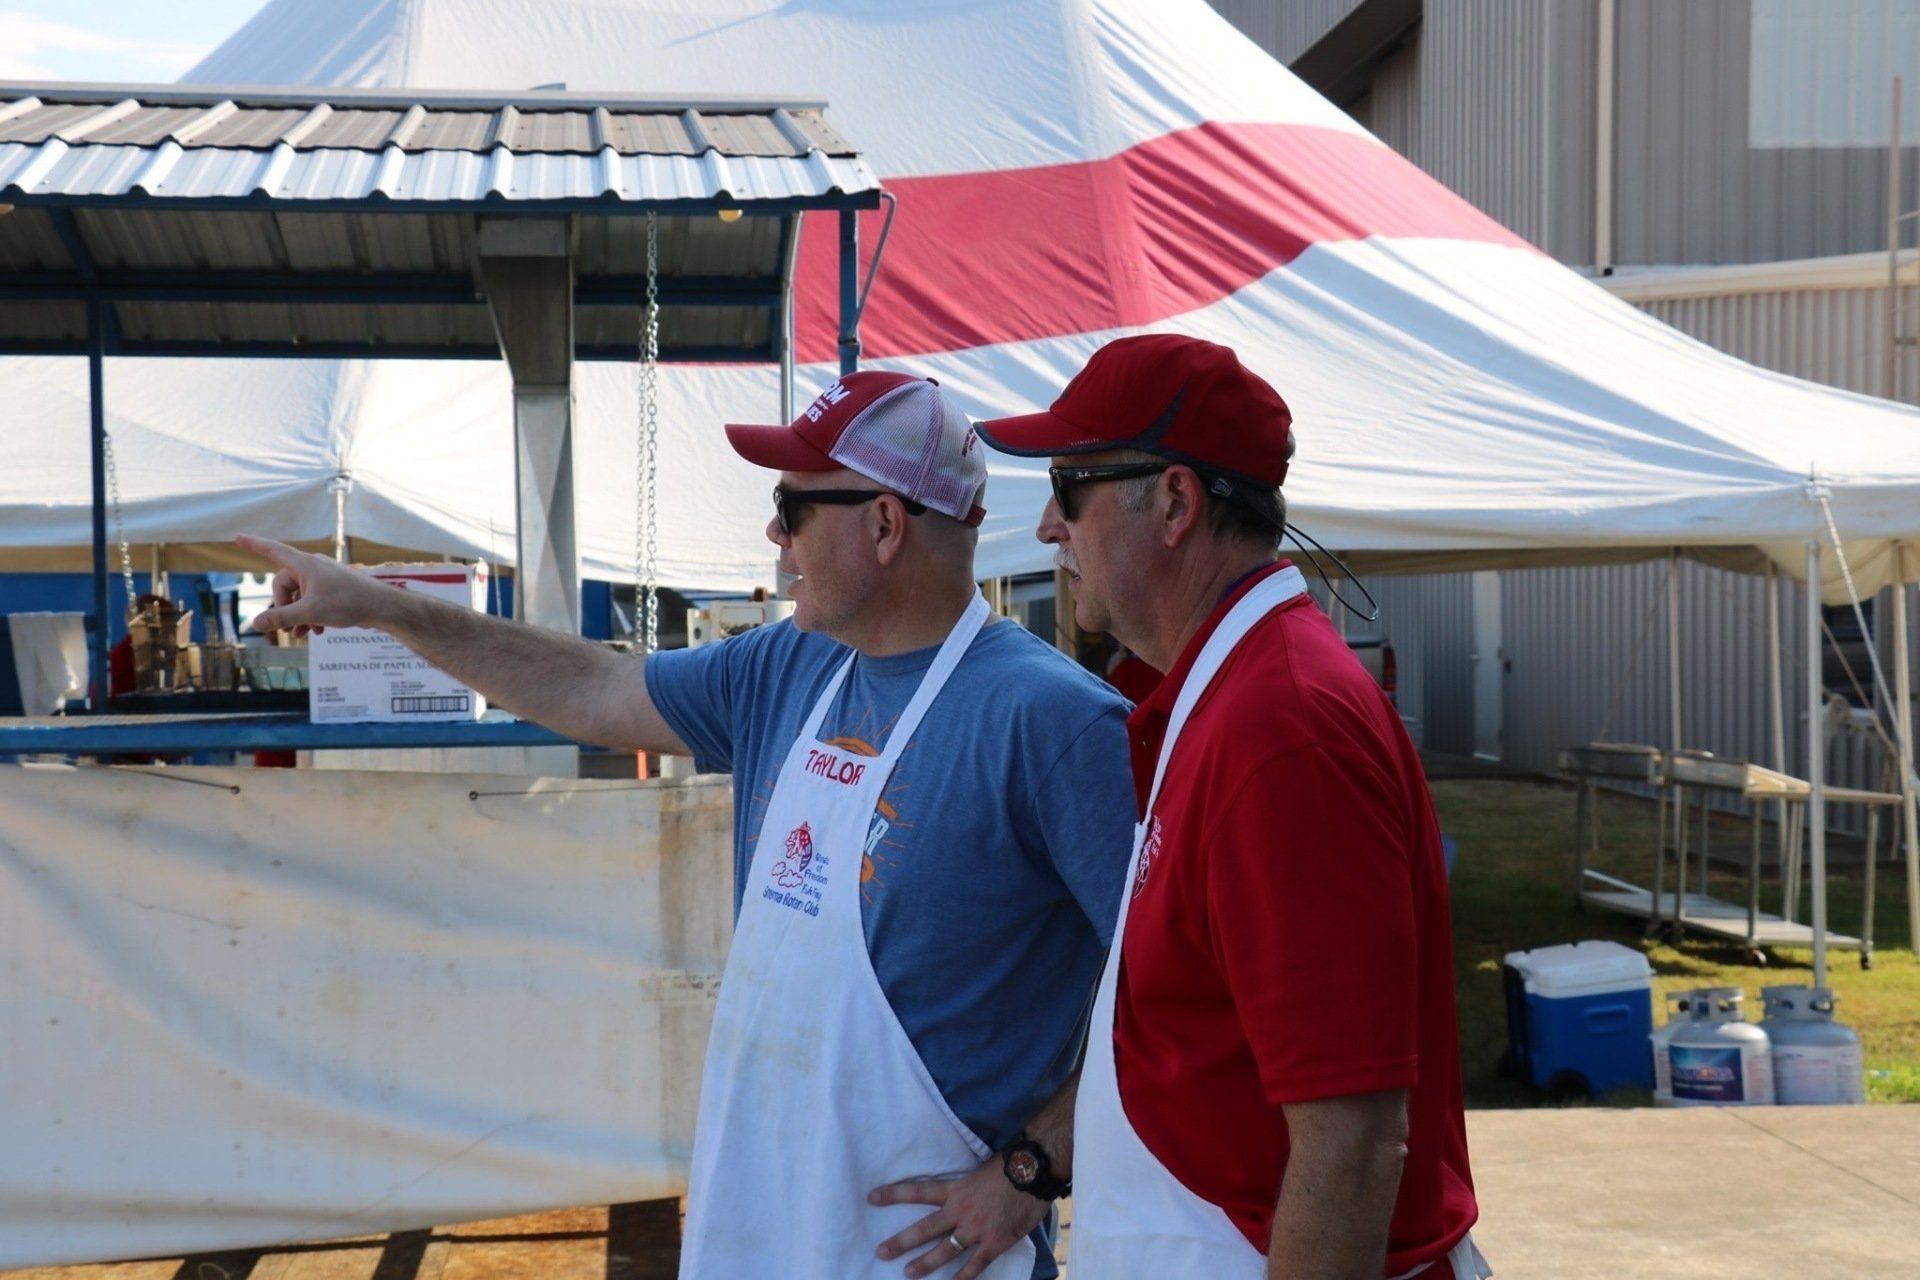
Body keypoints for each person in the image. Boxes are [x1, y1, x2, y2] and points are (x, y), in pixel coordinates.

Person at [239, 370, 1133, 1280]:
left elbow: (1176, 995)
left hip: (929, 1256)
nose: (775, 536)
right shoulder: (789, 666)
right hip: (760, 1221)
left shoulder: (1054, 723)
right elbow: (592, 687)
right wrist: (380, 606)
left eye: (791, 507)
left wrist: (1034, 1168)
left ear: (885, 525)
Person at [975, 334, 1487, 1280]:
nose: (1050, 524)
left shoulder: (1280, 728)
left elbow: (1353, 1138)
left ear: (1175, 502)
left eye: (1070, 483)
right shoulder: (1225, 693)